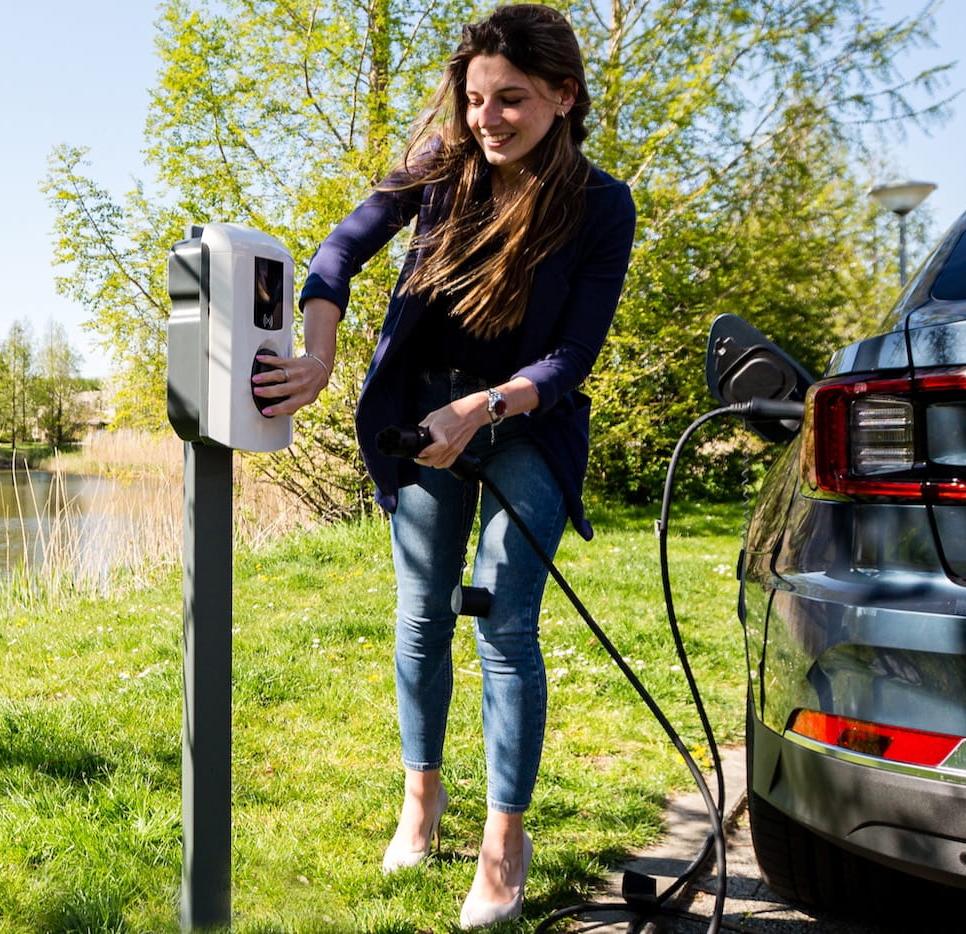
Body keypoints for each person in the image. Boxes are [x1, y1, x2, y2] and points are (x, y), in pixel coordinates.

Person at [252, 4, 634, 927]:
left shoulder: (599, 204)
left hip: (525, 427)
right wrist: (321, 349)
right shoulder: (440, 169)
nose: (487, 118)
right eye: (474, 100)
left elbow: (572, 356)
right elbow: (339, 251)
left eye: (511, 100)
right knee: (422, 613)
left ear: (563, 98)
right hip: (421, 417)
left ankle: (505, 841)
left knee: (504, 621)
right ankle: (421, 804)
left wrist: (484, 407)